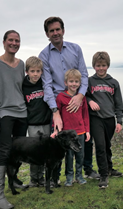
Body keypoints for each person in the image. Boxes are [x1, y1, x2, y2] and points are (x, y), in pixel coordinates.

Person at [39, 16, 100, 180]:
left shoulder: (76, 49)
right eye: (51, 31)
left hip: (78, 98)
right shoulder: (44, 55)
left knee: (84, 135)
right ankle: (56, 175)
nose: (55, 33)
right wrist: (55, 111)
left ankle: (86, 169)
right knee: (58, 138)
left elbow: (84, 75)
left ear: (63, 30)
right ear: (47, 34)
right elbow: (47, 85)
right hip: (59, 101)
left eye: (58, 29)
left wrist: (81, 96)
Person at [0, 30, 28, 209]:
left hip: (22, 113)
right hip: (5, 114)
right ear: (4, 43)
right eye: (10, 40)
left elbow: (23, 88)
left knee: (18, 150)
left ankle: (14, 180)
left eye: (17, 40)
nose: (14, 43)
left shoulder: (22, 64)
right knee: (5, 151)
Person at [86, 51, 123, 189]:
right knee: (100, 146)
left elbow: (119, 103)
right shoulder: (89, 81)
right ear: (93, 66)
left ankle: (109, 168)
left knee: (107, 145)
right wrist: (90, 101)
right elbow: (83, 96)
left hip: (110, 119)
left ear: (107, 65)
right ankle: (103, 175)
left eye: (103, 65)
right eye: (98, 65)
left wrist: (119, 121)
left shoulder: (114, 83)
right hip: (96, 119)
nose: (100, 68)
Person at [56, 69, 90, 186]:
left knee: (80, 155)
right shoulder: (61, 97)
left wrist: (88, 131)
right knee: (69, 156)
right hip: (67, 134)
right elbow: (57, 115)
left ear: (80, 83)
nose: (74, 84)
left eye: (76, 81)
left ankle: (79, 176)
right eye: (71, 81)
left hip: (80, 131)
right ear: (66, 83)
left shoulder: (82, 98)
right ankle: (69, 176)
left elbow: (85, 115)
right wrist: (57, 130)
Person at [22, 56, 52, 187]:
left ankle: (42, 178)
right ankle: (34, 179)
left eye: (38, 71)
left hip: (46, 122)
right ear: (27, 71)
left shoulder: (44, 84)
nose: (35, 74)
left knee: (45, 151)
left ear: (41, 72)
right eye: (32, 71)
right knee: (34, 152)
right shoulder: (23, 86)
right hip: (32, 124)